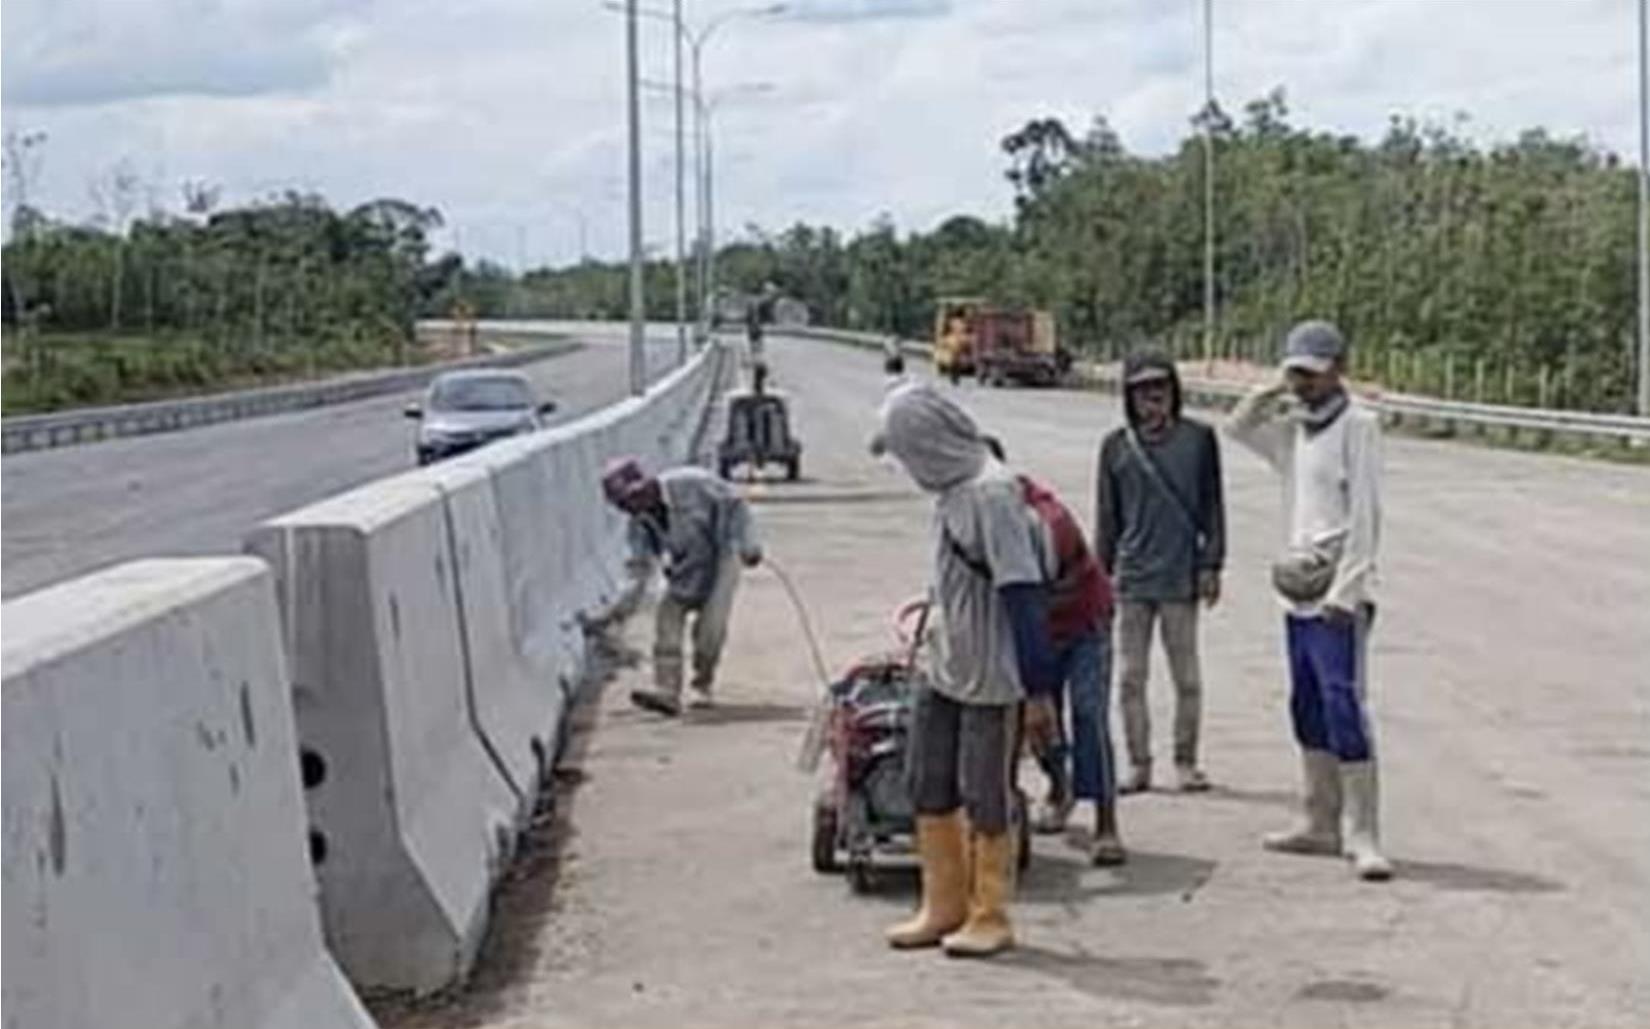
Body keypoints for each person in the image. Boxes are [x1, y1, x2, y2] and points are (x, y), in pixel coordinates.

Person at [877, 387, 1060, 958]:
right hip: (945, 661)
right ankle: (943, 903)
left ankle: (989, 912)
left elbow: (1024, 596)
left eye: (905, 454)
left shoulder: (992, 493)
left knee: (984, 792)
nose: (905, 468)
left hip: (991, 671)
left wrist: (1036, 692)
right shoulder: (950, 493)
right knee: (927, 782)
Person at [1226, 320, 1393, 881]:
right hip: (1295, 589)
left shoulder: (1359, 427)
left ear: (1338, 370)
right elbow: (1239, 426)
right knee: (1306, 703)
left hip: (1338, 594)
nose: (1305, 384)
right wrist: (1273, 387)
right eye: (1298, 372)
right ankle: (1319, 818)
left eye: (1313, 373)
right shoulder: (1295, 432)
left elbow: (1367, 516)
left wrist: (1346, 594)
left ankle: (1362, 831)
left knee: (1344, 703)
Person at [981, 435, 1124, 866]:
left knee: (1087, 713)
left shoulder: (1046, 522)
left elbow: (1028, 600)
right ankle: (1058, 786)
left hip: (1082, 622)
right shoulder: (977, 515)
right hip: (1032, 625)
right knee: (1036, 723)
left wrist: (1035, 689)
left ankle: (1106, 822)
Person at [1095, 349, 1227, 794]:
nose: (1153, 399)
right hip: (1132, 578)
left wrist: (1212, 564)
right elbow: (1107, 519)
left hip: (1180, 576)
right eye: (1143, 392)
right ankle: (1139, 763)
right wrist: (1099, 579)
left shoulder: (1199, 440)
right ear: (1129, 398)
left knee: (1186, 678)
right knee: (1131, 678)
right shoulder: (1115, 447)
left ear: (1175, 391)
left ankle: (1186, 761)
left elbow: (1213, 507)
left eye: (1161, 389)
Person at [602, 457, 763, 717]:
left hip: (721, 555)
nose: (628, 508)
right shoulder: (640, 524)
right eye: (621, 504)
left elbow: (737, 507)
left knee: (710, 629)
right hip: (684, 565)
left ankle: (703, 682)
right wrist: (616, 610)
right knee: (668, 621)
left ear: (646, 486)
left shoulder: (692, 483)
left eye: (630, 499)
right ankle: (667, 691)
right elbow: (638, 569)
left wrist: (748, 544)